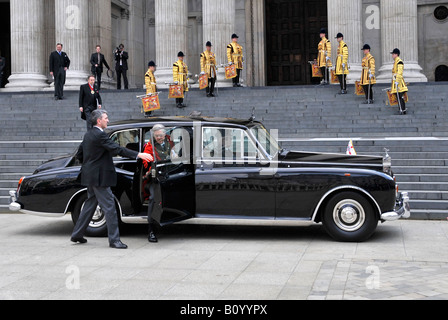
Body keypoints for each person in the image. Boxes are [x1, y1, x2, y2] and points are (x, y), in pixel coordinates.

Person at [71, 109, 153, 249]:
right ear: (99, 121)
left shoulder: (88, 134)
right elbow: (117, 149)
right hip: (99, 178)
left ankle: (77, 234)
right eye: (106, 118)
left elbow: (80, 154)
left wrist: (90, 165)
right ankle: (114, 240)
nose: (108, 120)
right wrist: (139, 154)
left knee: (90, 205)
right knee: (110, 208)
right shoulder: (99, 135)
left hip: (90, 176)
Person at [142, 124, 176, 243]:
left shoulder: (169, 142)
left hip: (169, 174)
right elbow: (146, 163)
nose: (159, 138)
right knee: (153, 198)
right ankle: (151, 229)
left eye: (161, 135)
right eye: (156, 136)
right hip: (154, 178)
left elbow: (174, 154)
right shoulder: (149, 146)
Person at [391, 48, 409, 115]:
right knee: (398, 96)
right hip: (395, 81)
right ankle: (401, 109)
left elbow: (399, 72)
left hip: (399, 82)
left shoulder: (399, 61)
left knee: (400, 96)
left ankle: (403, 109)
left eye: (393, 54)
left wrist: (397, 81)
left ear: (396, 54)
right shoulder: (396, 61)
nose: (392, 55)